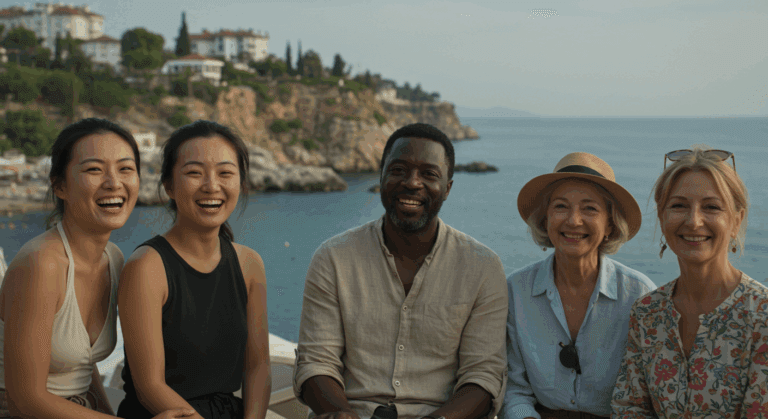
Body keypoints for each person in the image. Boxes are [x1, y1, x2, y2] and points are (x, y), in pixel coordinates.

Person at [293, 123, 508, 419]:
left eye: (428, 174)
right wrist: (341, 413)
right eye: (398, 170)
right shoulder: (333, 258)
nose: (412, 183)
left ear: (447, 188)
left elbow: (483, 376)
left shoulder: (483, 268)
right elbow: (316, 362)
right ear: (381, 176)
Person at [0, 118, 195, 419]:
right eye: (94, 169)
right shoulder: (42, 264)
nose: (114, 183)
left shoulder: (113, 258)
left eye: (125, 169)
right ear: (59, 185)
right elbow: (25, 401)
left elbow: (81, 366)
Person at [116, 120, 271, 419]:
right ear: (169, 186)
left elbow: (258, 366)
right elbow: (149, 385)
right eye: (194, 173)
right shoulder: (147, 266)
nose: (212, 186)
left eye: (225, 173)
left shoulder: (249, 264)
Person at [612, 147, 768, 418]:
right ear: (662, 217)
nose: (694, 221)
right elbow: (630, 407)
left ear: (736, 220)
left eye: (711, 207)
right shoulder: (648, 312)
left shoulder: (762, 315)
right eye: (679, 206)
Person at [502, 152, 656, 419]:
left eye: (590, 208)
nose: (573, 220)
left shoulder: (638, 294)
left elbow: (646, 396)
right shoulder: (516, 289)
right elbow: (514, 389)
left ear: (609, 224)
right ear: (545, 218)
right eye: (561, 207)